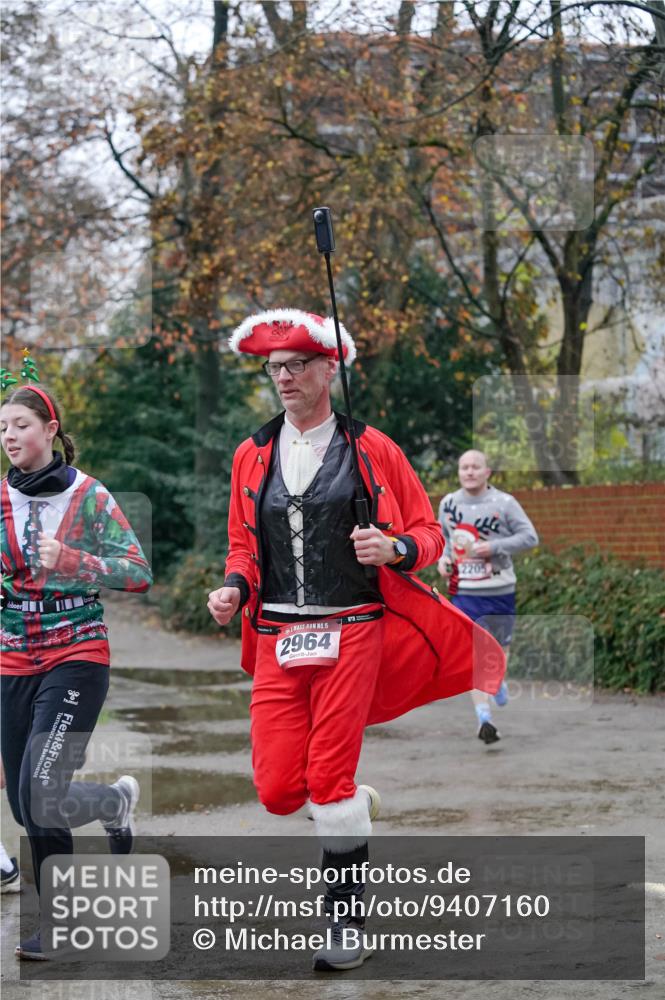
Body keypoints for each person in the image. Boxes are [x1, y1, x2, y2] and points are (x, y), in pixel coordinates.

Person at [207, 309, 505, 972]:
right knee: (280, 790)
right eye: (273, 368)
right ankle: (351, 803)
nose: (282, 377)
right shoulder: (251, 453)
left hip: (354, 631)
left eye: (296, 366)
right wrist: (233, 588)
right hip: (280, 634)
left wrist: (394, 547)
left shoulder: (373, 448)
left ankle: (345, 924)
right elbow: (242, 545)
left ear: (327, 370)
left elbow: (428, 534)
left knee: (327, 781)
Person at [0, 368, 152, 960]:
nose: (9, 436)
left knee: (40, 789)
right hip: (13, 658)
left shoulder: (89, 496)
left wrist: (73, 559)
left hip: (76, 655)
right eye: (2, 428)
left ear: (50, 429)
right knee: (23, 800)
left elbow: (136, 572)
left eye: (20, 425)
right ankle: (113, 803)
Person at [437, 449, 538, 745]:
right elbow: (445, 541)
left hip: (500, 589)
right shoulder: (449, 503)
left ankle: (498, 678)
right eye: (464, 467)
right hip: (464, 591)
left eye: (475, 467)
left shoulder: (504, 503)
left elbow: (530, 537)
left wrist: (494, 548)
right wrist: (443, 561)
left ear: (487, 472)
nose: (469, 472)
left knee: (498, 650)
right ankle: (484, 717)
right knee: (474, 654)